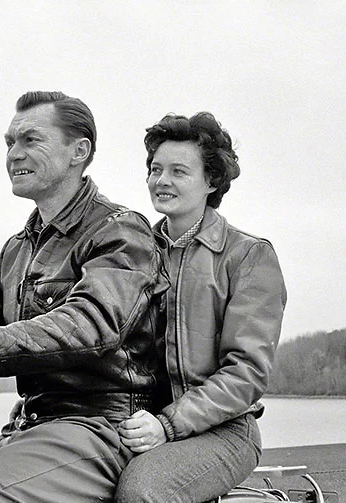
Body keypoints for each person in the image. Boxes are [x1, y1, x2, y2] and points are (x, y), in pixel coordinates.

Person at [0, 91, 169, 502]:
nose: (14, 154)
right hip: (31, 424)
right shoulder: (16, 249)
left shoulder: (119, 231)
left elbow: (91, 324)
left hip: (102, 426)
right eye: (9, 142)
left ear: (79, 151)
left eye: (30, 140)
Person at [114, 112, 287, 503]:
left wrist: (168, 425)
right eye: (155, 169)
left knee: (143, 492)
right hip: (134, 421)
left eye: (178, 171)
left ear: (211, 181)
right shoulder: (131, 251)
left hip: (224, 430)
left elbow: (247, 372)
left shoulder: (248, 256)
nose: (162, 181)